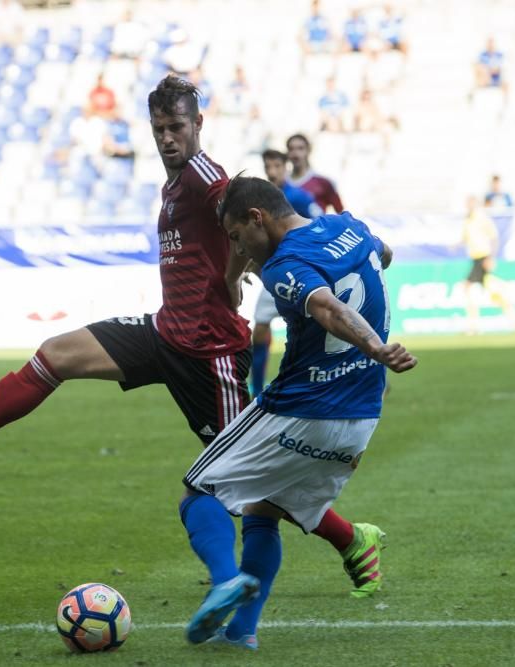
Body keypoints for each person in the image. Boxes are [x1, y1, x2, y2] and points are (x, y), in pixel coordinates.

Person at [0, 77, 366, 588]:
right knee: (56, 354)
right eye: (159, 128)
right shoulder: (174, 182)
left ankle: (348, 541)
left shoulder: (205, 174)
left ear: (198, 125)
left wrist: (235, 276)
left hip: (210, 355)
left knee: (254, 490)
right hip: (164, 333)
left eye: (177, 127)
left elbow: (245, 216)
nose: (167, 138)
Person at [179, 175, 417, 649]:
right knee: (265, 509)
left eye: (237, 239)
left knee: (198, 491)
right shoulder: (350, 226)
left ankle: (226, 580)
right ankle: (241, 632)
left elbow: (327, 309)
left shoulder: (285, 265)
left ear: (256, 218)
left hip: (301, 408)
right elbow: (383, 254)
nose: (241, 250)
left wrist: (376, 346)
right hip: (361, 419)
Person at [251, 150, 323, 398]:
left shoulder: (299, 197)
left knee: (325, 326)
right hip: (273, 274)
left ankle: (360, 369)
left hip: (301, 273)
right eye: (267, 166)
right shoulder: (258, 200)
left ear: (285, 167)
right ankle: (256, 389)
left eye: (276, 166)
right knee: (260, 328)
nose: (272, 171)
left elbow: (319, 226)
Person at [459, 195, 515, 334]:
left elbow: (493, 237)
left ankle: (474, 325)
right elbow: (465, 238)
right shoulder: (467, 220)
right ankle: (511, 313)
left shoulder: (481, 218)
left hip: (483, 256)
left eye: (471, 203)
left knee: (470, 287)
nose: (469, 205)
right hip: (475, 257)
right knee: (487, 287)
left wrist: (491, 257)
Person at [285, 133, 344, 213]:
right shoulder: (281, 184)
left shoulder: (323, 183)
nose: (295, 153)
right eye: (291, 149)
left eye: (300, 148)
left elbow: (340, 213)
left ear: (308, 150)